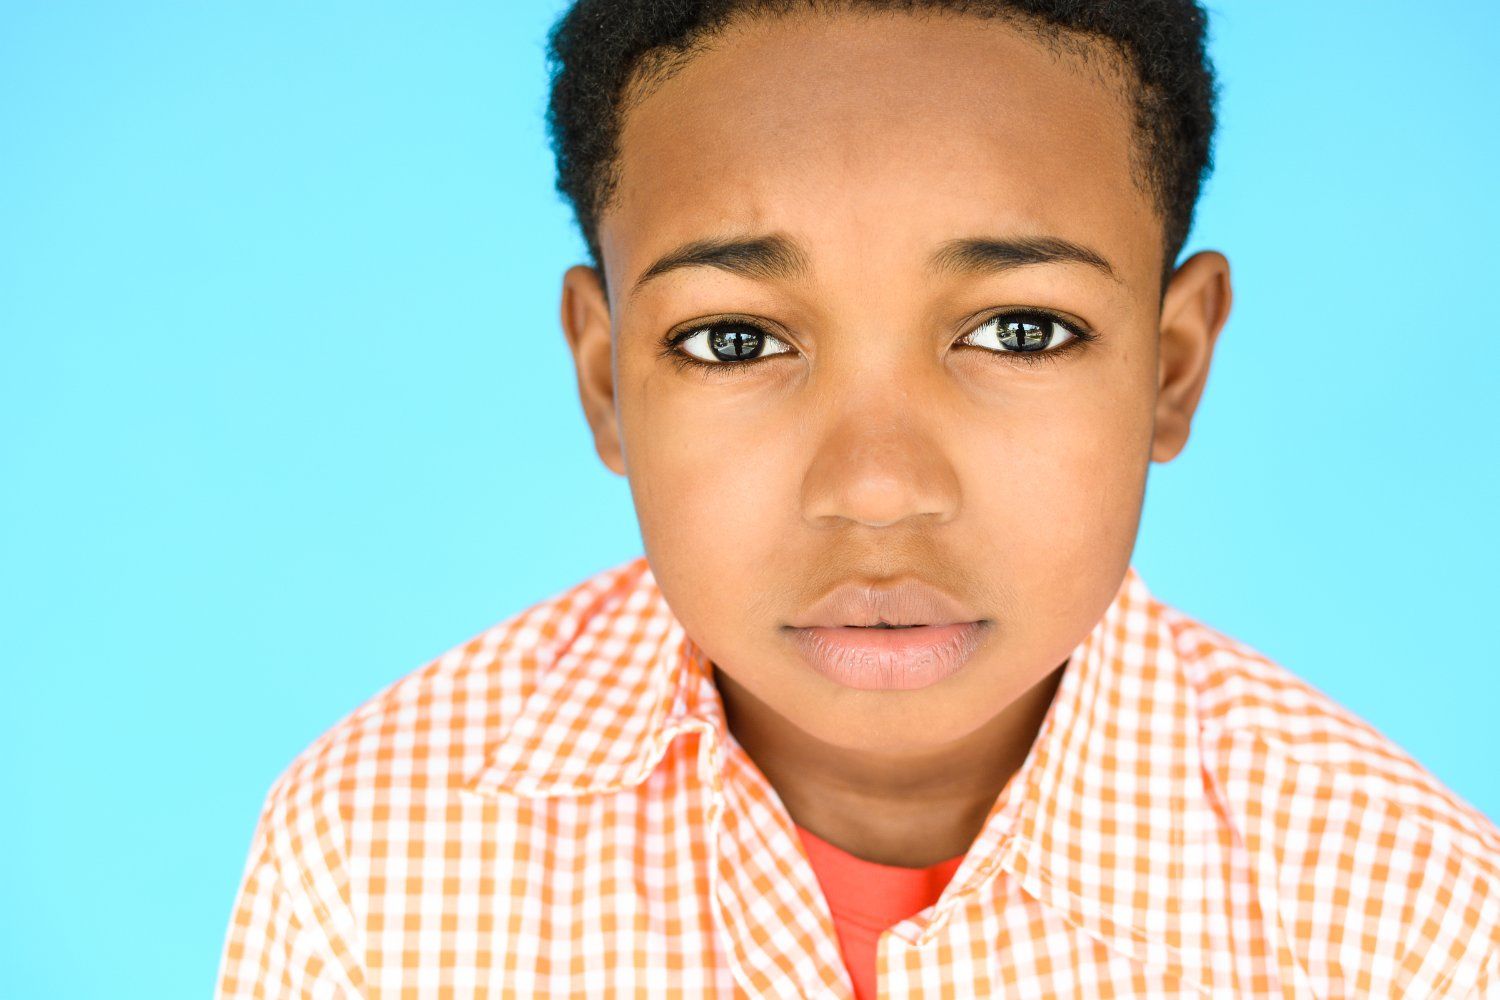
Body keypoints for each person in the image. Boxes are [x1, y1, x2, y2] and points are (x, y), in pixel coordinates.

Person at [216, 2, 1500, 996]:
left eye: (1020, 330)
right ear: (605, 380)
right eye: (733, 340)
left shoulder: (1407, 924)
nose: (878, 488)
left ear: (1171, 369)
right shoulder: (375, 859)